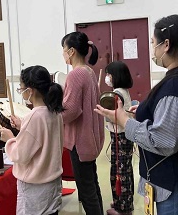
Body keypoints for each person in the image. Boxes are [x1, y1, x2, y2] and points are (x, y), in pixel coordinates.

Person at [95, 14, 178, 215]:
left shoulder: (172, 85)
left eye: (152, 43)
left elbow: (163, 141)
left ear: (165, 44)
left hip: (170, 180)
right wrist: (141, 111)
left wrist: (123, 119)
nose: (153, 49)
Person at [0, 65, 64, 215]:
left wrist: (10, 139)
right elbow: (43, 134)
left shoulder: (33, 117)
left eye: (21, 88)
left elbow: (20, 155)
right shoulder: (55, 112)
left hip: (35, 188)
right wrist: (22, 125)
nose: (21, 91)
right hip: (52, 183)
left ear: (30, 90)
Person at [61, 31, 105, 215]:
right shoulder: (89, 71)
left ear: (71, 51)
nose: (62, 53)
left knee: (86, 191)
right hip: (90, 139)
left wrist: (51, 114)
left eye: (63, 49)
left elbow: (70, 110)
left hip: (80, 141)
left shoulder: (76, 74)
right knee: (92, 185)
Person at [104, 61, 134, 215]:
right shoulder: (124, 91)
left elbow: (113, 116)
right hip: (125, 134)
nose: (107, 77)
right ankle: (121, 201)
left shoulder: (116, 93)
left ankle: (123, 208)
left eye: (108, 74)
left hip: (120, 135)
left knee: (120, 171)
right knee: (124, 170)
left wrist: (104, 114)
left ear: (115, 76)